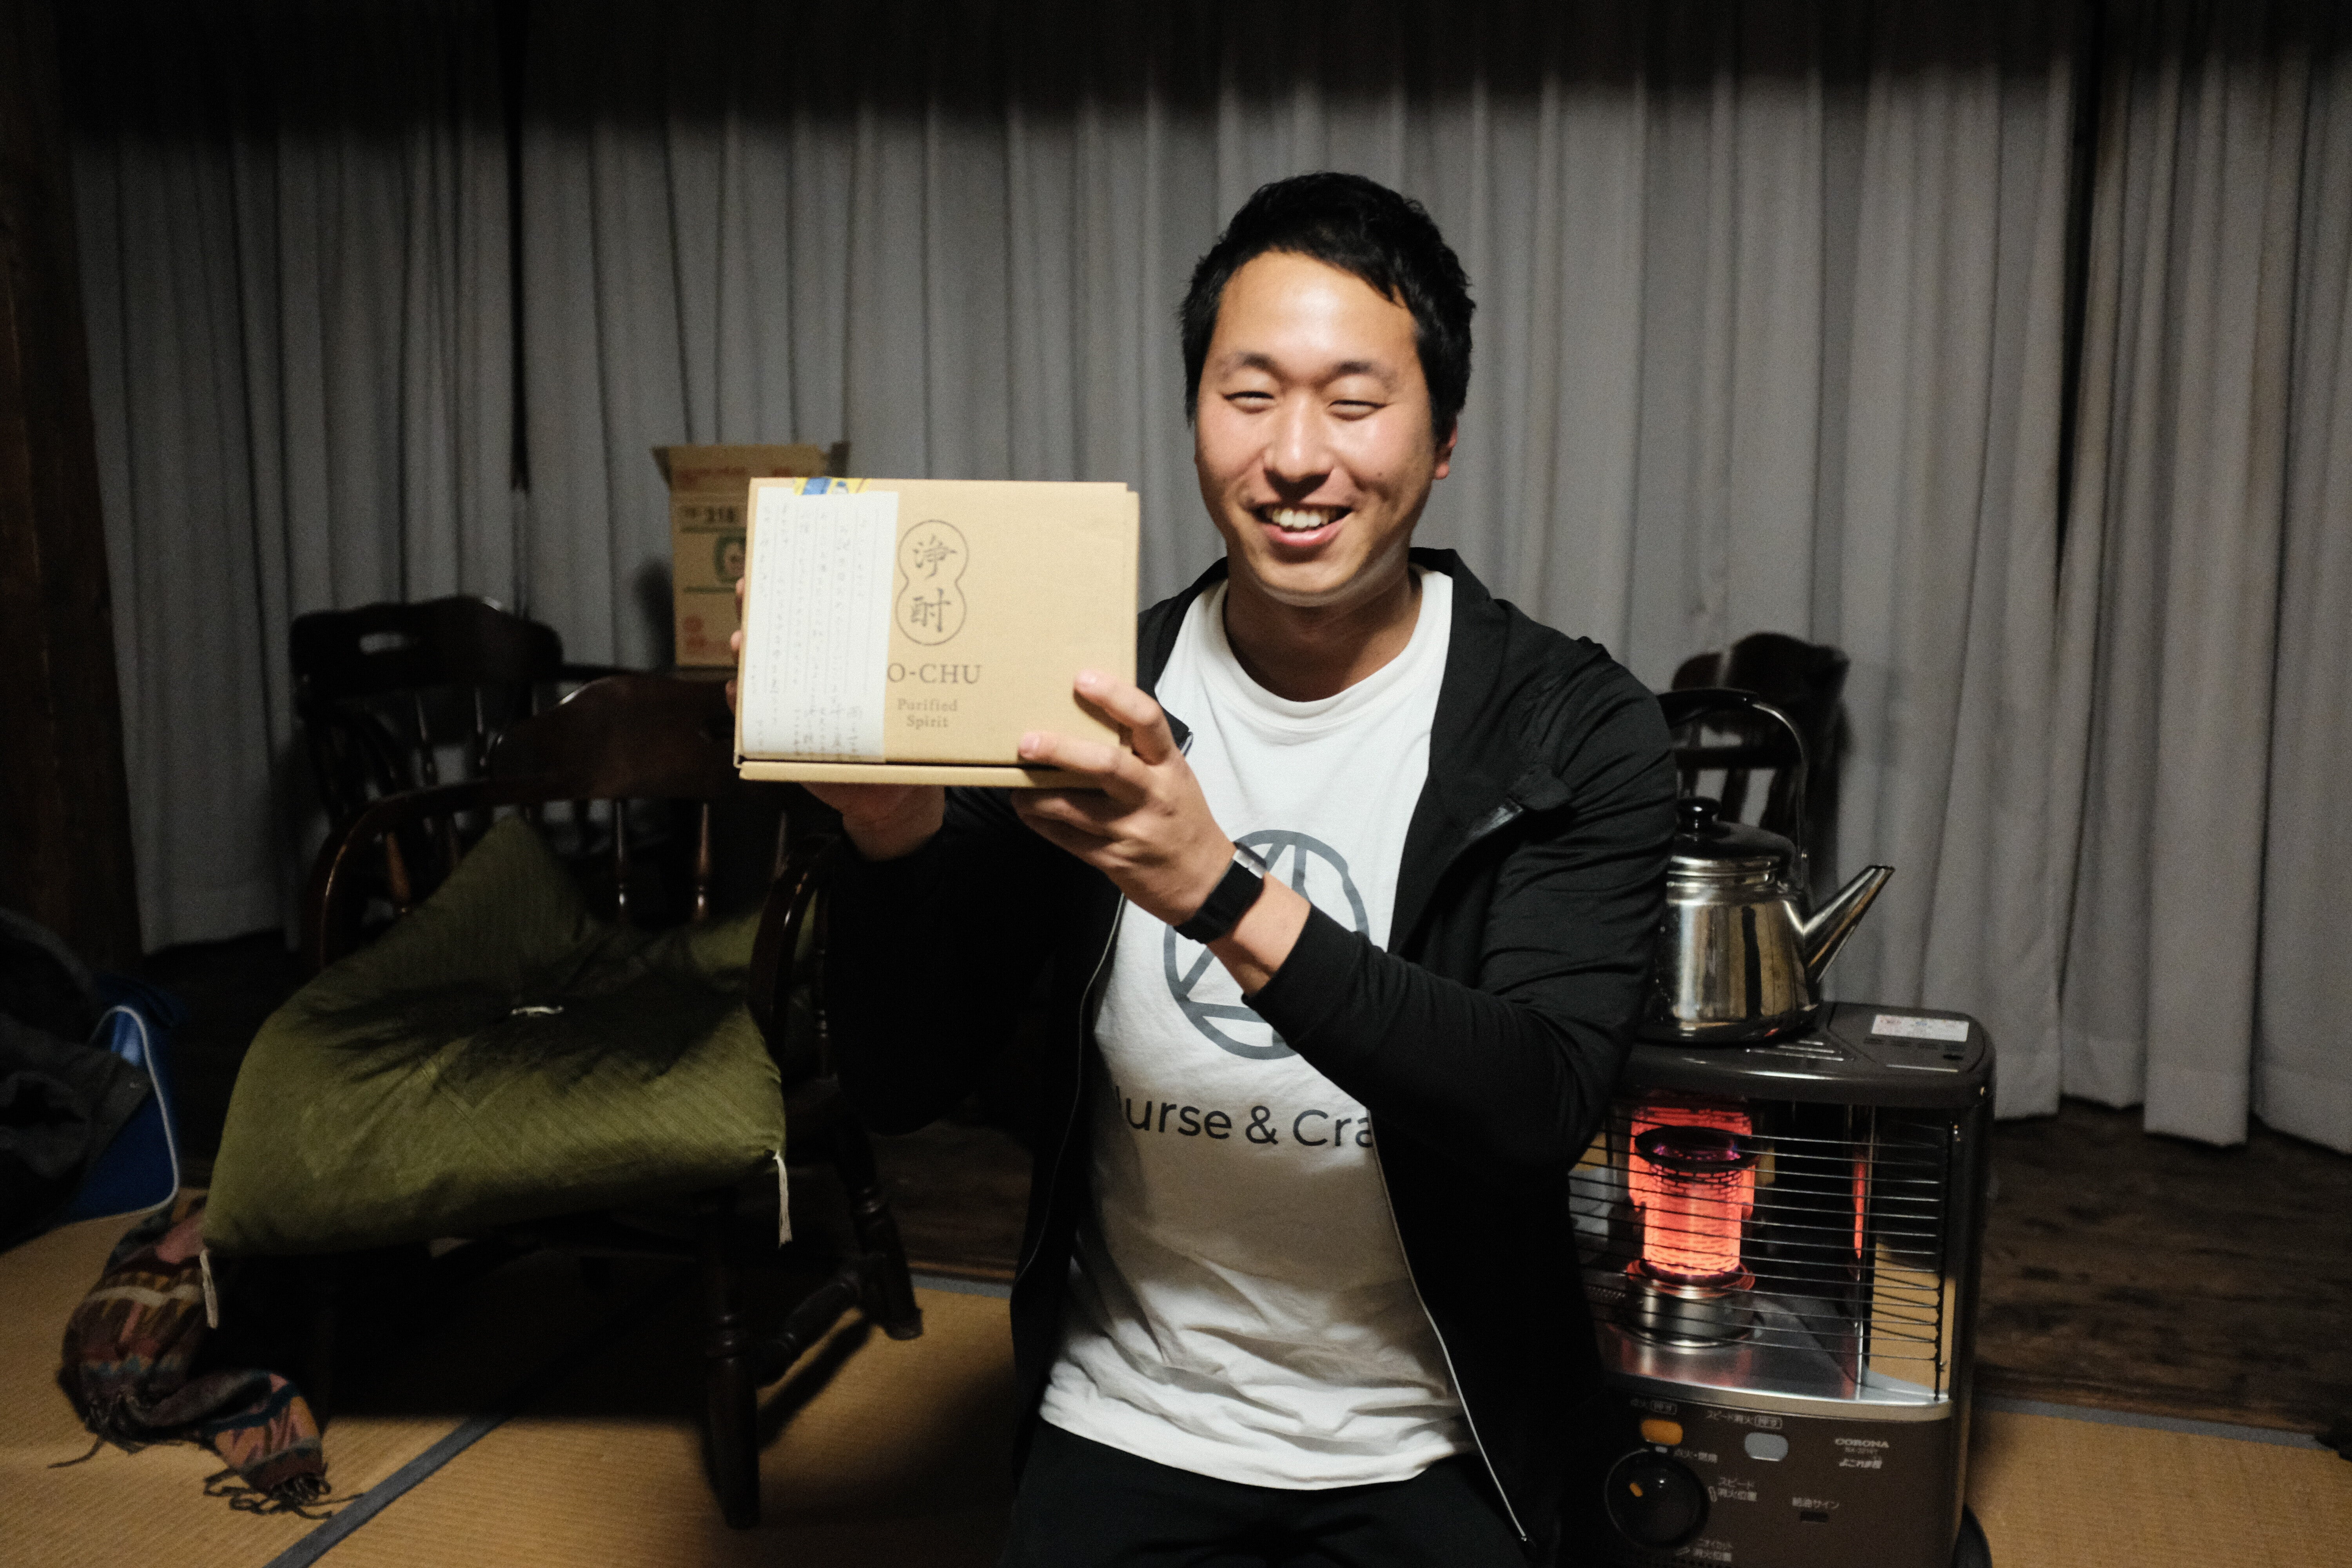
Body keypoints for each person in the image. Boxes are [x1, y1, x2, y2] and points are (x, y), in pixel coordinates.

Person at [743, 172, 1675, 1564]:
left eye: (1354, 403)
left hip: (1440, 1433)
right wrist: (889, 830)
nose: (1296, 456)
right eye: (1249, 397)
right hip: (1128, 1419)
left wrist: (1221, 893)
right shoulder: (1085, 696)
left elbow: (1537, 1101)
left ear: (1442, 441)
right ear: (1194, 418)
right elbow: (902, 1081)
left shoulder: (1566, 726)